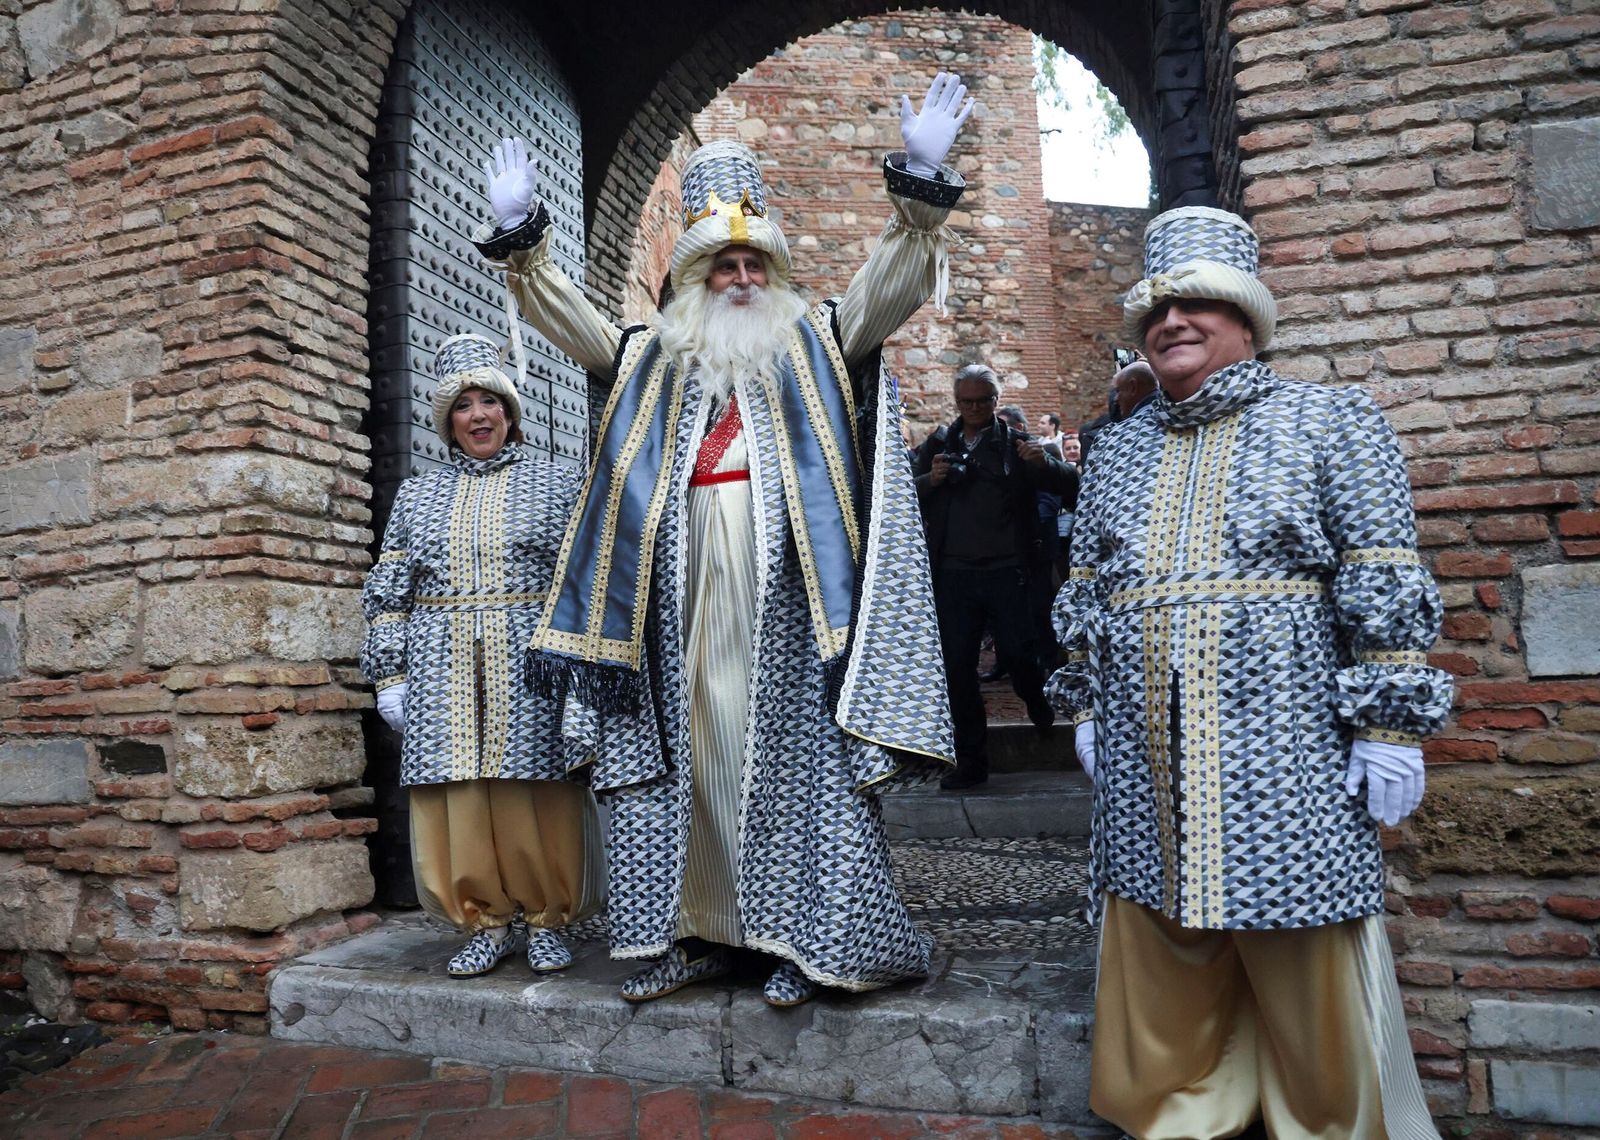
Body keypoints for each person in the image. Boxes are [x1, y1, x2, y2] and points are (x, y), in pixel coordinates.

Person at [472, 73, 973, 1006]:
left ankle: (799, 940)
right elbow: (572, 323)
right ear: (691, 278)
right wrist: (526, 248)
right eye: (721, 267)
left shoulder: (820, 340)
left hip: (792, 606)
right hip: (671, 610)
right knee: (688, 769)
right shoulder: (649, 357)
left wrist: (917, 200)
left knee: (791, 769)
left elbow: (891, 287)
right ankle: (693, 933)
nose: (740, 280)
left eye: (753, 264)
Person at [1050, 206, 1452, 1138]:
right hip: (1147, 739)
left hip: (1287, 738)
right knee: (1161, 932)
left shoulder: (1332, 419)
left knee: (1301, 931)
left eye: (1197, 305)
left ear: (1248, 318)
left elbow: (1382, 572)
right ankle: (1181, 1115)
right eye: (1156, 312)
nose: (1172, 323)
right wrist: (1085, 704)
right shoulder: (1119, 448)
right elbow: (1086, 588)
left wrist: (1388, 725)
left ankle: (1332, 1122)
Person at [360, 334, 604, 979]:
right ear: (447, 422)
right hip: (440, 662)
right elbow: (390, 590)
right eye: (463, 405)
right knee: (459, 794)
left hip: (531, 662)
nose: (478, 415)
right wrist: (390, 674)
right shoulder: (416, 496)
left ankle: (549, 919)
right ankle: (484, 921)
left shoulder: (557, 482)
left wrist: (580, 671)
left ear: (509, 411)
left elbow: (583, 584)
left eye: (489, 401)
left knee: (535, 789)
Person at [915, 364, 1076, 790]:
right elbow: (902, 495)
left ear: (995, 401)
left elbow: (1073, 488)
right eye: (966, 401)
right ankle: (971, 761)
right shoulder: (938, 444)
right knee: (956, 669)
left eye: (982, 401)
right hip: (954, 573)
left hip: (1008, 570)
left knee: (1020, 655)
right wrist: (931, 480)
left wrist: (1046, 463)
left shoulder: (1018, 445)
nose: (973, 408)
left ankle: (1033, 693)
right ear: (956, 401)